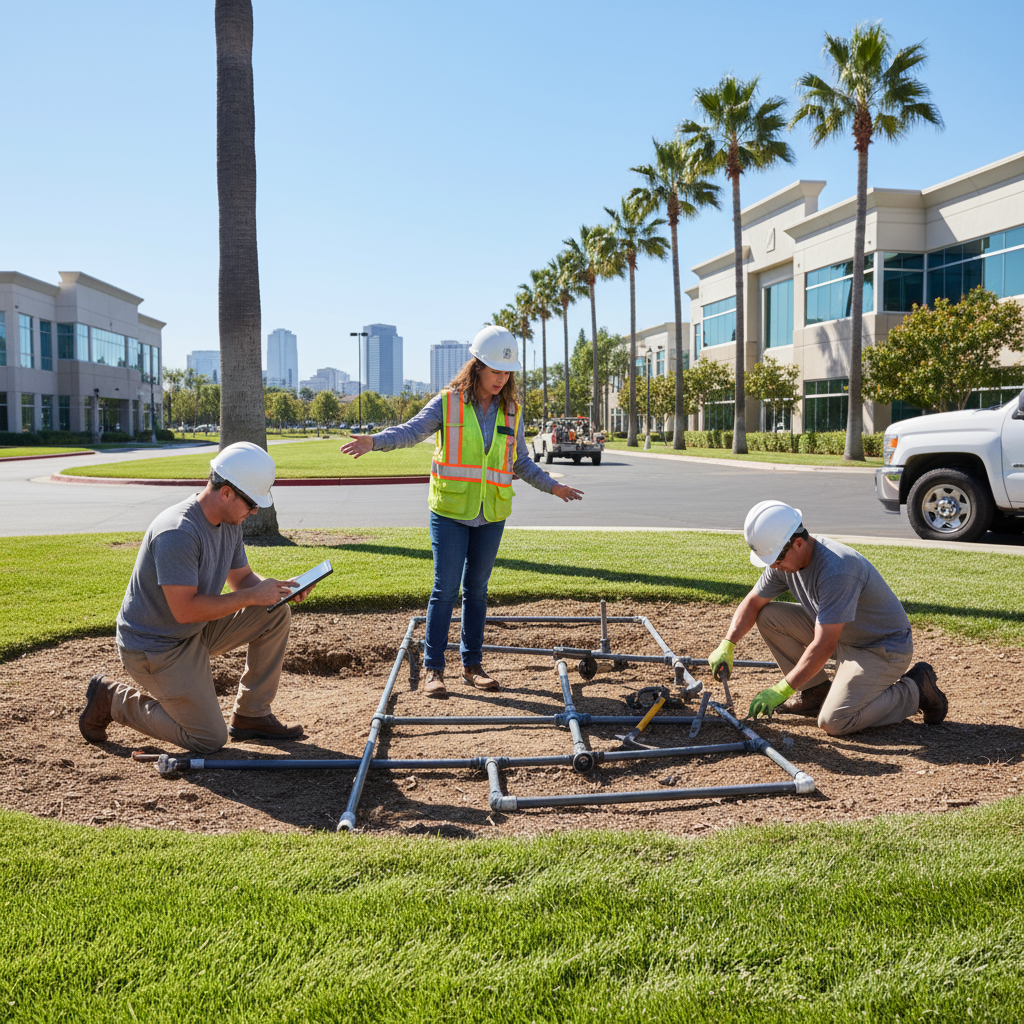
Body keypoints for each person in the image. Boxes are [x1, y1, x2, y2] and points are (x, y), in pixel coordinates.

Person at [340, 326, 583, 698]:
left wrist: (553, 486)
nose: (501, 379)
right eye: (495, 371)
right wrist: (374, 442)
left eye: (507, 373)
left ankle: (472, 666)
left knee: (478, 591)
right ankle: (433, 670)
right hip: (451, 511)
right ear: (477, 367)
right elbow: (411, 431)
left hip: (492, 515)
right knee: (445, 590)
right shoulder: (448, 402)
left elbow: (519, 463)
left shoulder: (512, 410)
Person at [79, 442, 314, 753]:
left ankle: (251, 715)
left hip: (192, 632)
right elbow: (185, 610)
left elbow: (242, 579)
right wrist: (253, 596)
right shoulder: (177, 531)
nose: (255, 511)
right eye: (251, 503)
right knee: (208, 739)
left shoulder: (229, 523)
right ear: (227, 492)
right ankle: (112, 700)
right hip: (155, 648)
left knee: (274, 612)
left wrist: (279, 593)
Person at [707, 500, 947, 736]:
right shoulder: (784, 562)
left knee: (835, 721)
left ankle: (916, 689)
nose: (775, 567)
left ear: (798, 543)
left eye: (777, 561)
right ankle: (815, 693)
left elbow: (823, 645)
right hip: (844, 635)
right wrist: (728, 643)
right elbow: (752, 603)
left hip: (880, 648)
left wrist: (783, 689)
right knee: (769, 616)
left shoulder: (837, 569)